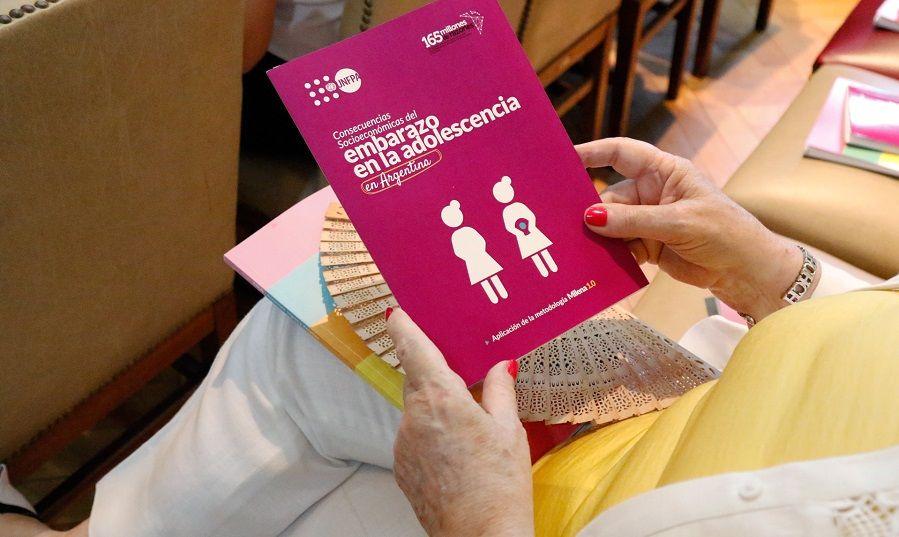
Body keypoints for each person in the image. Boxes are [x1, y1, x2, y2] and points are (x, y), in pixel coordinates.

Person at [3, 138, 896, 536]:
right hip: (699, 403)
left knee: (318, 354)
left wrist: (481, 521)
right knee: (327, 316)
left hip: (602, 493)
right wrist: (775, 273)